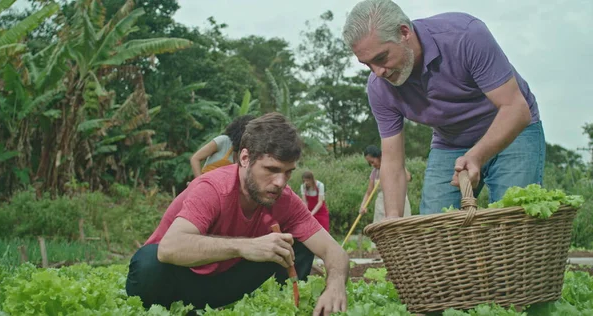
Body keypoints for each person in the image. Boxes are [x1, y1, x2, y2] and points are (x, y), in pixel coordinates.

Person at [126, 112, 349, 316]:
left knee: (293, 240)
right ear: (245, 158)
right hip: (173, 280)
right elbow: (169, 248)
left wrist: (336, 285)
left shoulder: (286, 199)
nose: (280, 182)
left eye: (287, 172)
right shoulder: (213, 188)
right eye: (271, 170)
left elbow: (334, 251)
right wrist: (245, 246)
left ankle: (289, 302)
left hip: (220, 285)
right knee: (149, 263)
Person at [342, 0, 545, 217]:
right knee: (435, 225)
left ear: (404, 33)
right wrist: (393, 220)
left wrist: (476, 156)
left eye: (381, 58)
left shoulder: (465, 35)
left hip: (513, 130)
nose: (378, 71)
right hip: (451, 143)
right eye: (367, 64)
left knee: (512, 219)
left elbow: (516, 108)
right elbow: (392, 161)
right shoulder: (379, 88)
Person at [190, 114, 255, 177]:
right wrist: (198, 182)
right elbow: (195, 158)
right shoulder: (223, 141)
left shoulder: (246, 154)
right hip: (206, 184)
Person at [359, 145, 411, 223]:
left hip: (399, 203)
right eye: (370, 163)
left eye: (372, 162)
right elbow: (369, 193)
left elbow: (408, 178)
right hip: (381, 207)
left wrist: (398, 164)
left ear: (378, 156)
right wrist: (363, 206)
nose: (372, 165)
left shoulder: (394, 165)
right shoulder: (374, 173)